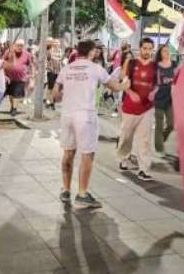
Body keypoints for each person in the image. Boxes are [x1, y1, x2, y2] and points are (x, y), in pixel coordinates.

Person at [52, 40, 129, 208]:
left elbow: (55, 93)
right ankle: (82, 193)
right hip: (85, 116)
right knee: (87, 154)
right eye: (95, 51)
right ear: (92, 52)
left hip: (67, 114)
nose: (97, 54)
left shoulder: (68, 68)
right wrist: (125, 85)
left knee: (68, 153)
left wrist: (67, 92)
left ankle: (65, 190)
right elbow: (113, 86)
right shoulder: (95, 68)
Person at [117, 37, 158, 181]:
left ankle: (143, 169)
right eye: (145, 48)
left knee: (144, 140)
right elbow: (124, 80)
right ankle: (123, 158)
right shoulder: (131, 63)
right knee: (126, 137)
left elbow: (157, 84)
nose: (147, 51)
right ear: (140, 49)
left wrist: (154, 93)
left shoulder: (155, 66)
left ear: (153, 50)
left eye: (150, 49)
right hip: (129, 107)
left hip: (147, 108)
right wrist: (130, 92)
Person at [153, 45, 176, 153]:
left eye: (168, 51)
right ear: (160, 53)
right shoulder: (156, 66)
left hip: (171, 97)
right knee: (159, 124)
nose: (167, 53)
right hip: (159, 97)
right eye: (164, 51)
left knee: (172, 124)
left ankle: (163, 137)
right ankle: (159, 147)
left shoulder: (174, 65)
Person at [3, 39, 31, 116]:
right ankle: (12, 107)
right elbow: (3, 61)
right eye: (18, 45)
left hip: (21, 78)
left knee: (16, 94)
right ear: (14, 45)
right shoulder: (8, 52)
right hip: (9, 77)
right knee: (11, 94)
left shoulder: (27, 54)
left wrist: (31, 75)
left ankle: (14, 109)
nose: (20, 47)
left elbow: (30, 64)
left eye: (21, 46)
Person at [45, 42, 61, 111]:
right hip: (51, 71)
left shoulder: (60, 51)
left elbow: (61, 61)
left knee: (55, 88)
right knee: (50, 88)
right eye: (55, 43)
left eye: (58, 43)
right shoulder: (49, 51)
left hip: (57, 72)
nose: (57, 44)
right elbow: (48, 59)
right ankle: (51, 103)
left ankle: (50, 102)